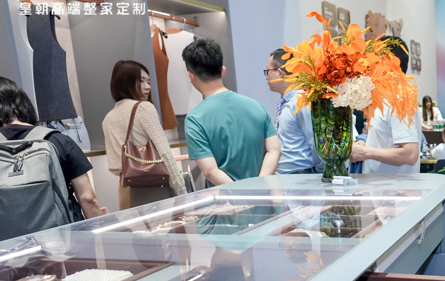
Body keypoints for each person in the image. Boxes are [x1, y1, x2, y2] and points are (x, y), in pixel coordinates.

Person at [0, 76, 107, 238]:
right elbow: (88, 198)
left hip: (8, 245)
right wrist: (102, 233)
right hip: (63, 240)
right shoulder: (58, 140)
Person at [182, 38, 281, 186]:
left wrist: (241, 194)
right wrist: (260, 187)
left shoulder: (195, 119)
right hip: (265, 197)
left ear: (190, 76)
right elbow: (275, 150)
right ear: (223, 71)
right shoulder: (256, 106)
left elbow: (210, 171)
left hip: (227, 199)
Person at [102, 60, 187, 210]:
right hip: (154, 189)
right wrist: (182, 191)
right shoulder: (144, 108)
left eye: (148, 82)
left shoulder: (108, 118)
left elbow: (115, 166)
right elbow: (165, 154)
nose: (147, 87)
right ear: (125, 82)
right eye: (141, 81)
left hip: (126, 191)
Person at [350, 37, 421, 174]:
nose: (368, 65)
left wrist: (366, 152)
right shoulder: (384, 97)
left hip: (396, 186)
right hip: (380, 185)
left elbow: (410, 153)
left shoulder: (399, 97)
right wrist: (364, 143)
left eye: (373, 59)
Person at [265, 48, 324, 174]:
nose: (266, 77)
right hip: (287, 177)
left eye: (268, 71)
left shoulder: (301, 102)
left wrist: (320, 173)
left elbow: (316, 144)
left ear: (279, 73)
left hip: (301, 176)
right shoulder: (286, 102)